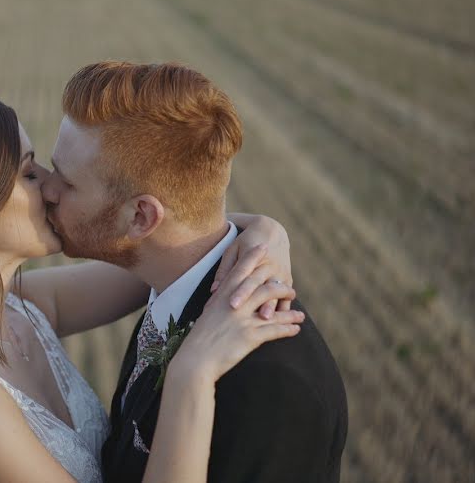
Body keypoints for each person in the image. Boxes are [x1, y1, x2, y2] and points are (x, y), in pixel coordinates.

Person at [0, 92, 305, 482]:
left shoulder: (18, 306)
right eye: (28, 172)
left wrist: (264, 230)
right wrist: (190, 376)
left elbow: (164, 251)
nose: (51, 186)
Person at [42, 61, 348, 482]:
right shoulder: (171, 289)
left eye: (67, 182)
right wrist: (261, 225)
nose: (47, 190)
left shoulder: (271, 385)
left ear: (140, 218)